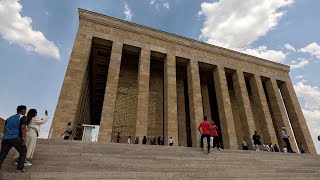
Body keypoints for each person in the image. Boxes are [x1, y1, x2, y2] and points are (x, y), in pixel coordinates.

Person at [0, 105, 28, 172]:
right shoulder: (23, 117)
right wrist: (24, 138)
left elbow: (5, 128)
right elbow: (23, 127)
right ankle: (20, 168)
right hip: (16, 138)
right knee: (23, 152)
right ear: (23, 110)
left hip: (6, 138)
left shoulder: (9, 118)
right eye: (25, 110)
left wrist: (4, 137)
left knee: (2, 155)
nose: (26, 111)